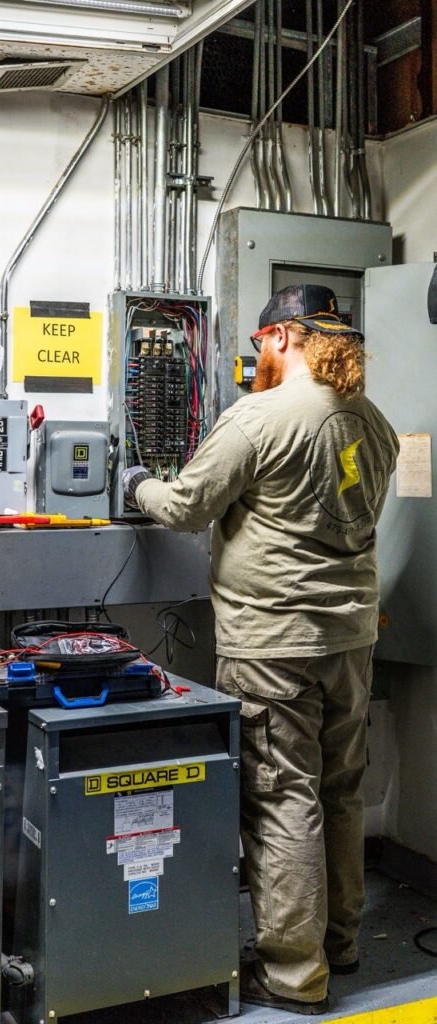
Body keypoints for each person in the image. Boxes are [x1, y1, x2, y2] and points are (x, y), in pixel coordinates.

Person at [122, 284, 399, 1015]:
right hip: (349, 640)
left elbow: (188, 507)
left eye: (258, 345)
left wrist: (138, 483)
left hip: (273, 644)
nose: (257, 359)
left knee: (283, 800)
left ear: (280, 337)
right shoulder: (372, 422)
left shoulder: (258, 417)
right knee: (339, 791)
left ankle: (293, 973)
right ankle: (339, 942)